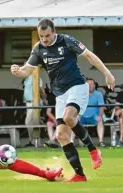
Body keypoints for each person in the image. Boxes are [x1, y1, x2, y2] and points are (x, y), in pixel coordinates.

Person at [10, 18, 115, 182]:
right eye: (41, 36)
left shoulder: (66, 41)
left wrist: (107, 73)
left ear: (54, 32)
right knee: (61, 135)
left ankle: (93, 150)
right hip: (60, 94)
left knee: (68, 117)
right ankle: (80, 175)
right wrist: (17, 71)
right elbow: (27, 70)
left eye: (47, 35)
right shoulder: (38, 49)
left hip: (77, 87)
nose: (44, 39)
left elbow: (89, 56)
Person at [23, 75, 47, 147]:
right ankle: (33, 141)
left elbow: (40, 89)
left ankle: (35, 142)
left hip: (35, 102)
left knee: (31, 122)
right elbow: (26, 89)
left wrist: (44, 98)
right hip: (28, 102)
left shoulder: (36, 77)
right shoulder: (26, 78)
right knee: (31, 122)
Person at [80, 78, 106, 147]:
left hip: (94, 116)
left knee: (100, 120)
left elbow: (101, 107)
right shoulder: (81, 94)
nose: (90, 86)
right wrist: (77, 115)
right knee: (73, 121)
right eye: (88, 84)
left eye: (92, 84)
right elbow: (77, 106)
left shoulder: (98, 94)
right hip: (82, 116)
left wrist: (100, 116)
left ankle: (101, 142)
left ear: (94, 85)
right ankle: (71, 142)